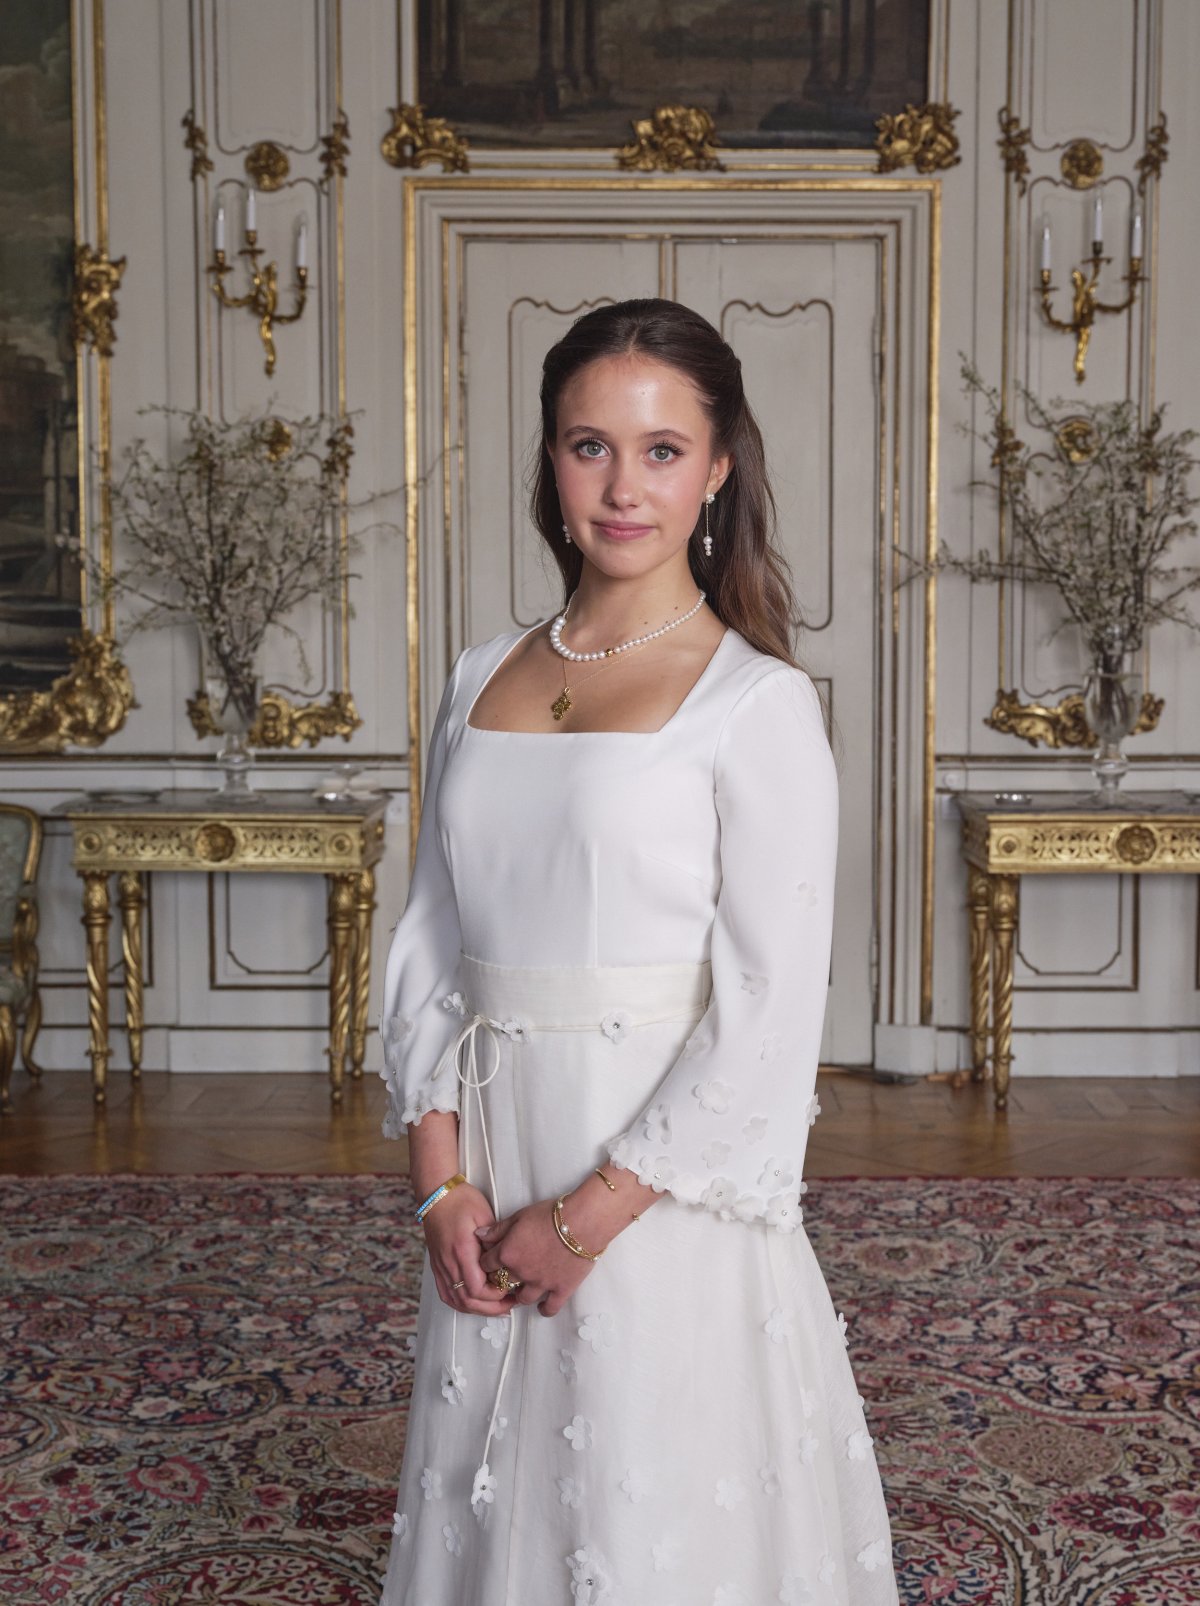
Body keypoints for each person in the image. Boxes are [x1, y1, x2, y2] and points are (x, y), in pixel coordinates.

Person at [377, 298, 899, 1604]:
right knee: (496, 1496)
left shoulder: (757, 703)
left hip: (656, 1188)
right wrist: (441, 1186)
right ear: (551, 460)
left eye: (662, 450)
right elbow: (432, 938)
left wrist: (587, 1217)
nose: (622, 487)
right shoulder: (477, 677)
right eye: (589, 445)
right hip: (490, 1166)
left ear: (717, 468)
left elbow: (769, 1014)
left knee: (641, 1502)